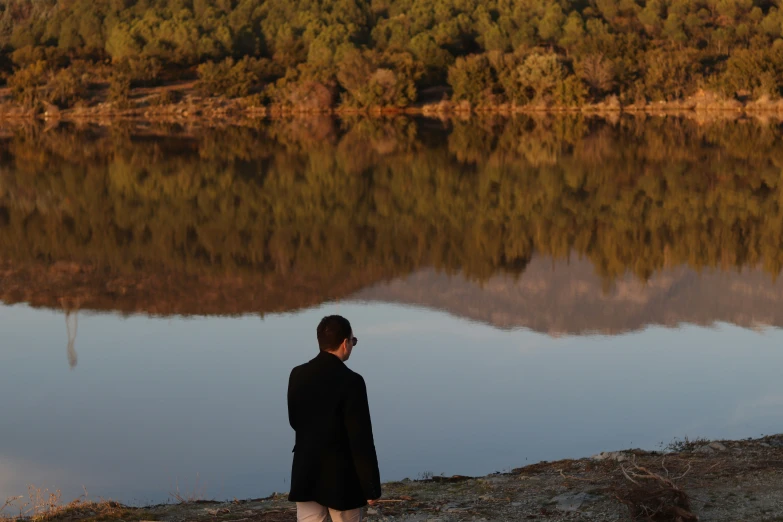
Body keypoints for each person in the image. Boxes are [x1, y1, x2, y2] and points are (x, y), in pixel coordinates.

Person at [287, 315, 382, 522]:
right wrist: (371, 487)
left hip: (305, 472)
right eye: (353, 341)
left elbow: (295, 421)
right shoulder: (352, 382)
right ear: (345, 343)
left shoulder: (297, 374)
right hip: (341, 479)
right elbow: (360, 439)